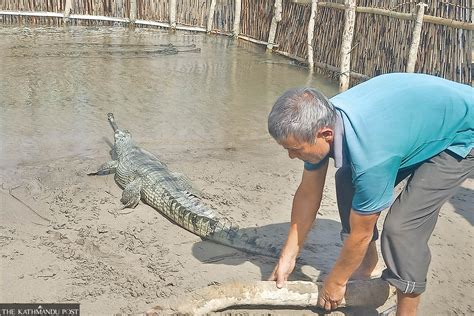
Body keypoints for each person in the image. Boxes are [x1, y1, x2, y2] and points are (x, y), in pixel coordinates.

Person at [266, 73, 473, 315]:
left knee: (403, 228)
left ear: (325, 134)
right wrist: (288, 257)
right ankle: (367, 265)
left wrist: (336, 282)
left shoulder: (371, 157)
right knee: (347, 179)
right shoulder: (319, 121)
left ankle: (406, 312)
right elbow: (308, 194)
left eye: (295, 150)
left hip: (463, 130)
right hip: (415, 119)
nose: (291, 156)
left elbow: (362, 233)